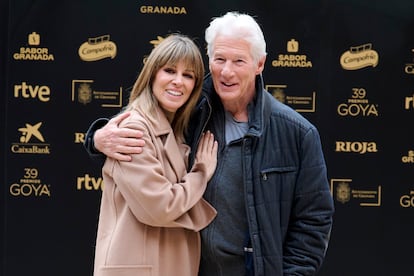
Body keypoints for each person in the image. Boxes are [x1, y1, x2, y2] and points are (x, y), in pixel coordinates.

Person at [85, 11, 335, 276]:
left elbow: (314, 220)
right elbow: (140, 138)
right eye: (220, 59)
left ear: (259, 64)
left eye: (239, 61)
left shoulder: (297, 133)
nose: (227, 71)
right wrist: (97, 138)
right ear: (210, 61)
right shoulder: (190, 112)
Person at [90, 34, 219, 276]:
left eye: (188, 75)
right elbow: (160, 207)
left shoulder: (174, 128)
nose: (178, 81)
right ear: (152, 74)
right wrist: (201, 172)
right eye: (170, 70)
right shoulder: (134, 128)